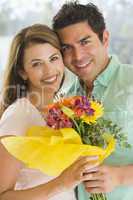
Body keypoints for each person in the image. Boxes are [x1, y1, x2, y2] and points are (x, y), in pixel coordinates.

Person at [0, 24, 99, 200]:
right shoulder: (19, 115)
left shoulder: (61, 111)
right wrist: (61, 183)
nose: (49, 70)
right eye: (37, 64)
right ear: (23, 72)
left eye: (53, 58)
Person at [53, 1, 133, 200]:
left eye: (84, 42)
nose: (78, 56)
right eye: (67, 48)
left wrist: (121, 176)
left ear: (104, 38)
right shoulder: (65, 101)